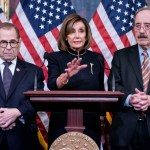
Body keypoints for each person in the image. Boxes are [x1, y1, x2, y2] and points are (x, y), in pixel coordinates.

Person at [46, 14, 105, 148]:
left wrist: (102, 124)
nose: (77, 36)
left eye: (81, 31)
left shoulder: (97, 58)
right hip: (62, 120)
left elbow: (101, 91)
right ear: (66, 36)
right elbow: (52, 84)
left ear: (86, 35)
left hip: (91, 121)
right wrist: (66, 76)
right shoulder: (54, 57)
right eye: (72, 31)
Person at [108, 6, 150, 150]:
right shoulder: (121, 56)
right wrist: (130, 99)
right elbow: (113, 88)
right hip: (124, 132)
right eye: (138, 26)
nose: (142, 31)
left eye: (147, 26)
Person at [0, 22, 44, 150]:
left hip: (23, 138)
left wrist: (17, 112)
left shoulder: (34, 72)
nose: (8, 47)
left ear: (19, 43)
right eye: (3, 42)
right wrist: (3, 118)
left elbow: (38, 100)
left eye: (12, 42)